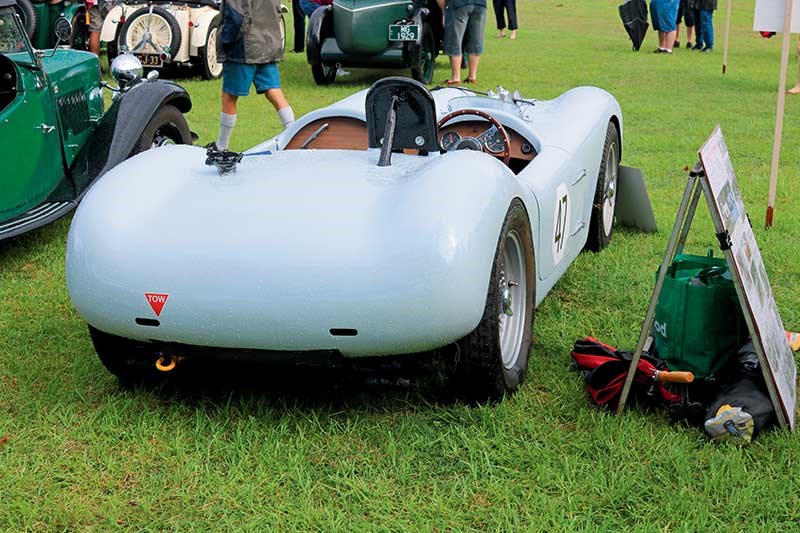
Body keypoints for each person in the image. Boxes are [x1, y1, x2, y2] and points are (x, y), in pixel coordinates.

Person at [214, 0, 294, 152]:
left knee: (229, 96)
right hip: (267, 44)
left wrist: (226, 40)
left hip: (244, 48)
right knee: (274, 92)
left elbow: (237, 16)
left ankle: (221, 146)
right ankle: (295, 136)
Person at [437, 0, 487, 85]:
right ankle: (472, 76)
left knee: (454, 40)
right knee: (476, 40)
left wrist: (444, 12)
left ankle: (455, 77)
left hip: (458, 4)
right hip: (480, 4)